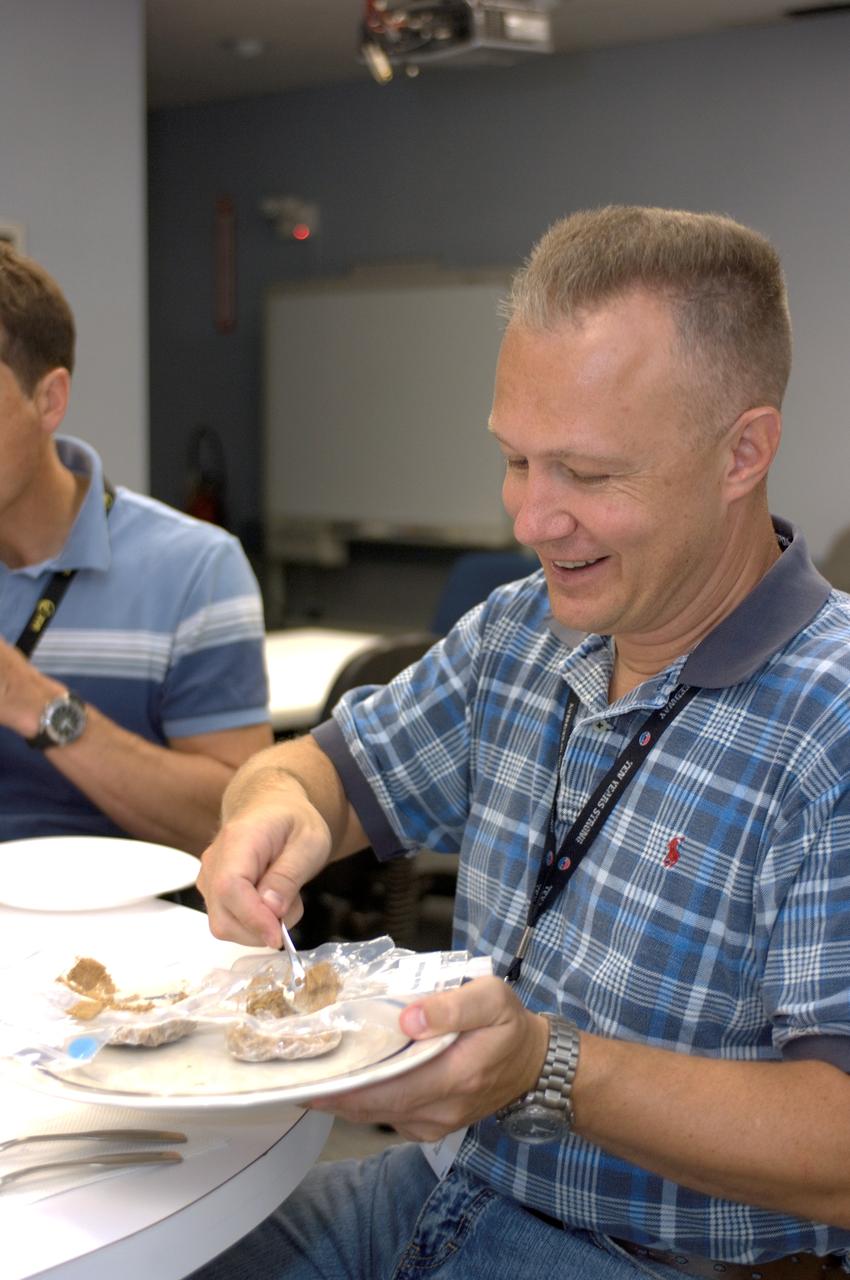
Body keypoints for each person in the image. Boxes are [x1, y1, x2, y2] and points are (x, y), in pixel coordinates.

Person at [194, 206, 850, 1280]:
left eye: (587, 476)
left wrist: (545, 1068)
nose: (530, 518)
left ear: (743, 451)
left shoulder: (830, 721)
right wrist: (275, 815)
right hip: (450, 1184)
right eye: (515, 459)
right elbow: (315, 770)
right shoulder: (520, 630)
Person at [0, 243, 272, 852]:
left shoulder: (196, 569)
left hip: (119, 932)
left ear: (49, 400)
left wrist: (33, 704)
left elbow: (235, 821)